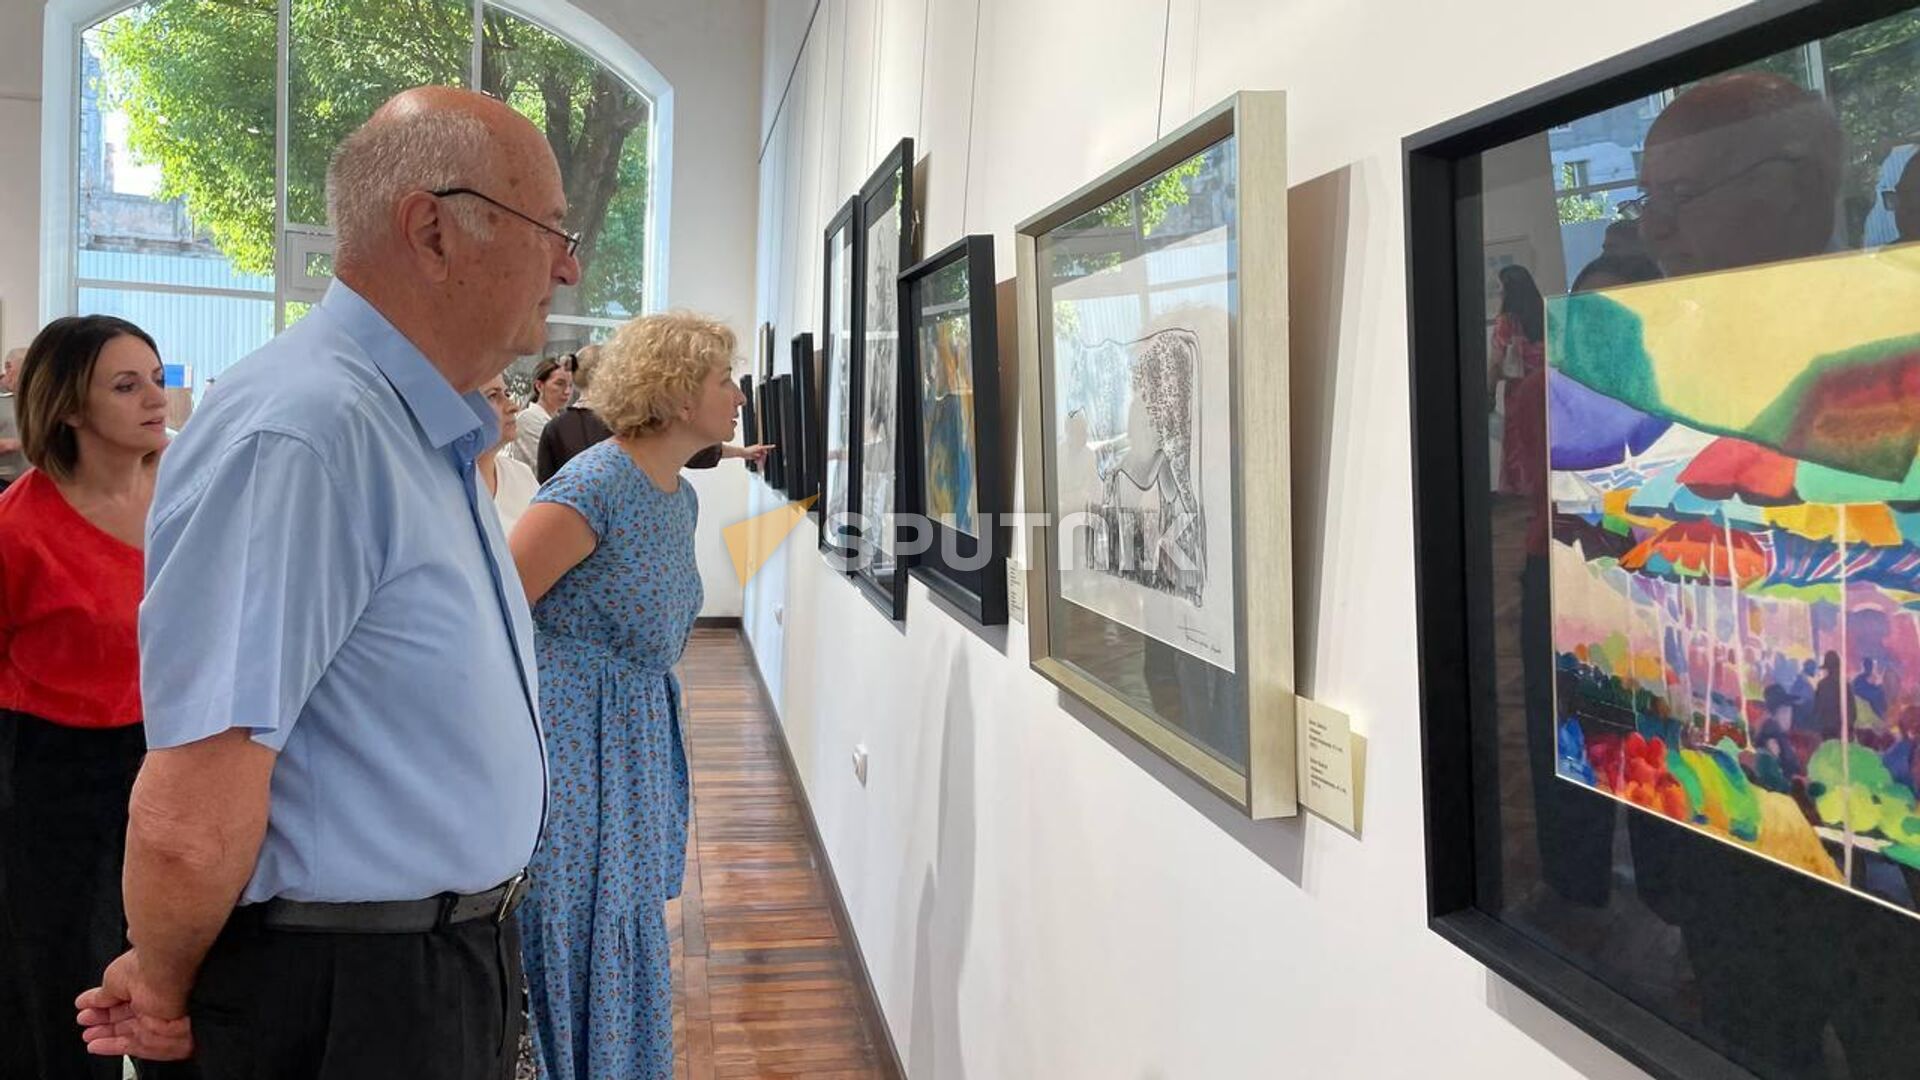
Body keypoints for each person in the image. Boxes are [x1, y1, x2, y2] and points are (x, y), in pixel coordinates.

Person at [75, 86, 570, 1078]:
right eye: (548, 229)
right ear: (431, 228)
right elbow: (190, 804)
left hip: (431, 964)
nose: (567, 263)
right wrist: (164, 988)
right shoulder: (307, 433)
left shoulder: (410, 424)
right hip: (346, 993)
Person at [509, 311, 744, 1080]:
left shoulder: (677, 495)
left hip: (634, 731)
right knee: (570, 920)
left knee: (624, 914)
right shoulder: (593, 485)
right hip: (573, 735)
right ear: (679, 395)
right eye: (723, 380)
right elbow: (501, 615)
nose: (737, 395)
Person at [0, 316, 171, 1080]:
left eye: (157, 379)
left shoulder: (188, 487)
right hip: (52, 771)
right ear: (70, 405)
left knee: (178, 978)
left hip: (171, 756)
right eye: (127, 385)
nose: (154, 399)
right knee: (67, 986)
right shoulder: (18, 528)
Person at [1635, 71, 1843, 279]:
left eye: (1682, 194)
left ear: (1800, 188)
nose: (1652, 230)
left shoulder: (1862, 304)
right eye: (1650, 198)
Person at [1488, 264, 1544, 496]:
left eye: (1501, 288)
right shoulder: (1546, 315)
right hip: (1545, 389)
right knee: (1541, 441)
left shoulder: (1506, 322)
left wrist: (1488, 394)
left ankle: (1521, 495)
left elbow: (1496, 362)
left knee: (1518, 444)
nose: (1500, 293)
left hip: (1519, 393)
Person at [480, 373, 538, 533]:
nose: (513, 406)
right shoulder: (444, 484)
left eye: (506, 394)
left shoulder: (522, 474)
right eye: (492, 396)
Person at [513, 354, 573, 467]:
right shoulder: (528, 419)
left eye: (570, 385)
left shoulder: (563, 421)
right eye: (559, 384)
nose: (567, 391)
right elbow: (550, 464)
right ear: (539, 386)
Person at [0, 346, 26, 491]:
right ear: (8, 367)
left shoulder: (33, 396)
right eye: (24, 373)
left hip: (30, 482)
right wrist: (8, 444)